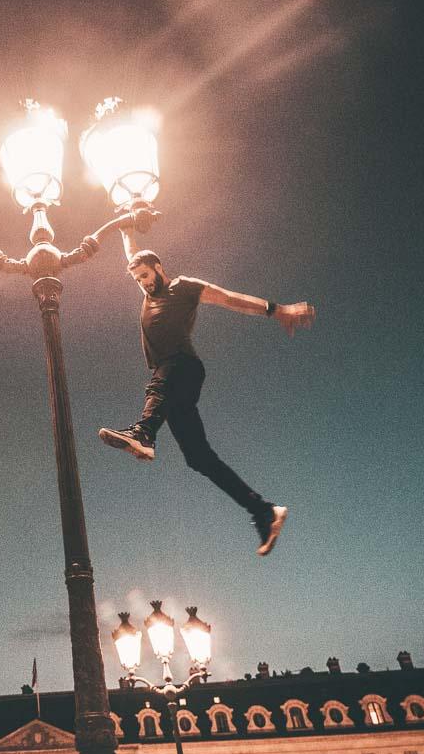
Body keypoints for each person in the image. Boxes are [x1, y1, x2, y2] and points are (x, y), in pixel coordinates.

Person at [99, 231, 315, 555]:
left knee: (160, 381)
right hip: (170, 386)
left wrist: (277, 310)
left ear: (158, 267)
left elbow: (229, 298)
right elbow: (132, 252)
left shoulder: (182, 287)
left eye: (145, 275)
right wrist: (126, 227)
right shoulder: (146, 290)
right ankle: (264, 512)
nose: (143, 283)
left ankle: (144, 433)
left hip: (183, 367)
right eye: (137, 279)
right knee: (199, 459)